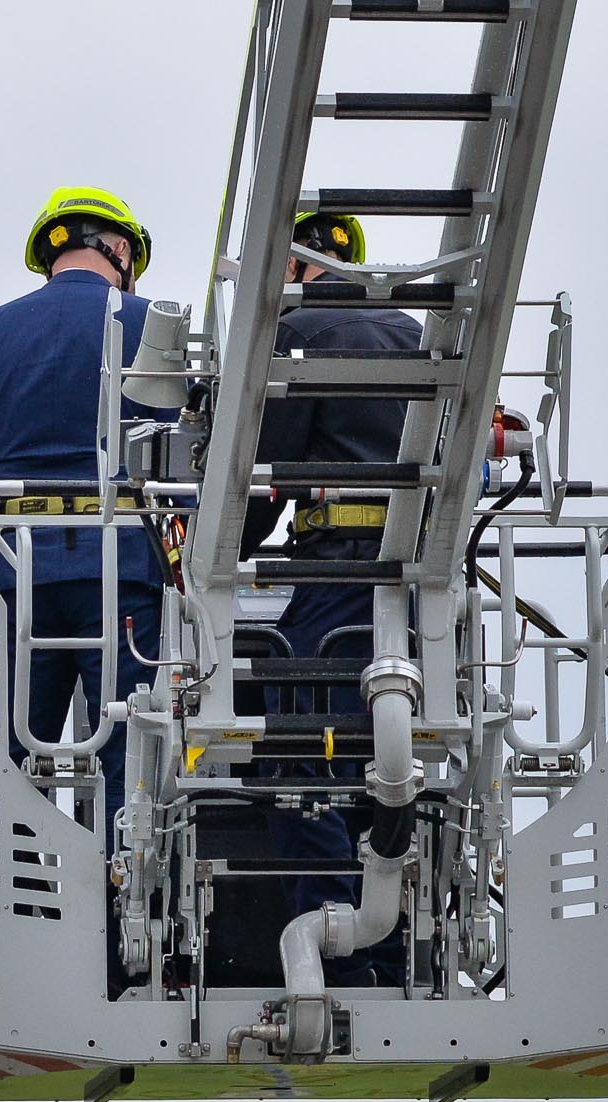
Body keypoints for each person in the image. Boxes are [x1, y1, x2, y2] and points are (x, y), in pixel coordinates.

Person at [0, 187, 177, 845]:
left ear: (53, 250)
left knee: (2, 774)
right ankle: (131, 930)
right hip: (125, 580)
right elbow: (187, 464)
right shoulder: (156, 325)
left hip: (18, 581)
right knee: (134, 771)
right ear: (121, 249)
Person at [244, 211, 421, 984]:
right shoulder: (416, 334)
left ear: (294, 264)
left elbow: (269, 467)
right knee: (383, 761)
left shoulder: (300, 332)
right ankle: (386, 944)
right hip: (413, 582)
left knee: (295, 753)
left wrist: (224, 543)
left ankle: (331, 938)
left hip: (336, 573)